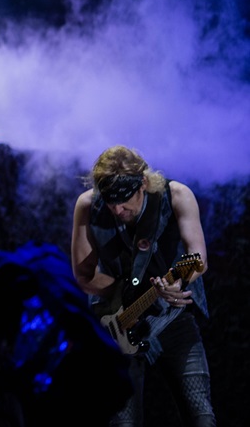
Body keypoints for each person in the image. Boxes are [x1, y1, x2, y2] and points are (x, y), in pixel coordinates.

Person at [70, 145, 215, 426]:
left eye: (124, 201)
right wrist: (121, 294)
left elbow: (198, 257)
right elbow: (84, 275)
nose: (116, 209)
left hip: (173, 318)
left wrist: (178, 283)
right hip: (117, 324)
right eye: (110, 202)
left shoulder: (177, 196)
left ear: (144, 184)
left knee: (202, 417)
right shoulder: (88, 204)